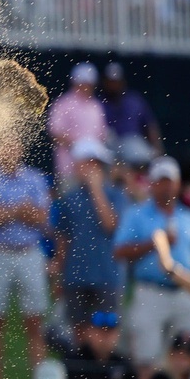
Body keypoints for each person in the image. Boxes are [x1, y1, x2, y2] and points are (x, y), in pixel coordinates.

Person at [113, 156, 190, 379]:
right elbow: (120, 250)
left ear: (177, 184)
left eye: (170, 182)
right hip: (150, 292)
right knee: (147, 358)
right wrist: (153, 244)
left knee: (189, 356)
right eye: (161, 181)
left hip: (186, 293)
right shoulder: (136, 214)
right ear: (152, 183)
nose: (166, 187)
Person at [0, 136, 52, 379]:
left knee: (35, 323)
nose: (8, 150)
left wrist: (7, 212)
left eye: (13, 145)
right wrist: (19, 210)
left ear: (20, 148)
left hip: (29, 253)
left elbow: (42, 218)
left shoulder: (35, 178)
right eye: (3, 145)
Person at [52, 138, 129, 347]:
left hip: (106, 276)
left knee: (106, 334)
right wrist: (59, 275)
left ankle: (102, 378)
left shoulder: (116, 195)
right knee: (79, 334)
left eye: (88, 164)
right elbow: (63, 239)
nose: (83, 169)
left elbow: (111, 225)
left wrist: (96, 190)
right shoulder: (69, 198)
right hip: (75, 276)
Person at [48, 63, 108, 190]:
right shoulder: (63, 103)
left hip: (93, 169)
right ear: (75, 82)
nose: (86, 86)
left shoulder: (96, 105)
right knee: (71, 204)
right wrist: (79, 146)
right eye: (83, 82)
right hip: (69, 169)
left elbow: (102, 135)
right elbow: (55, 133)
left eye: (89, 83)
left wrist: (91, 150)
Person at [101, 62, 161, 151]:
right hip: (107, 145)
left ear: (122, 82)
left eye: (116, 82)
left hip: (133, 143)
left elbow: (150, 125)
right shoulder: (99, 103)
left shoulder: (134, 100)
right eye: (111, 82)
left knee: (138, 151)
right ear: (105, 82)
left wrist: (157, 148)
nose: (113, 85)